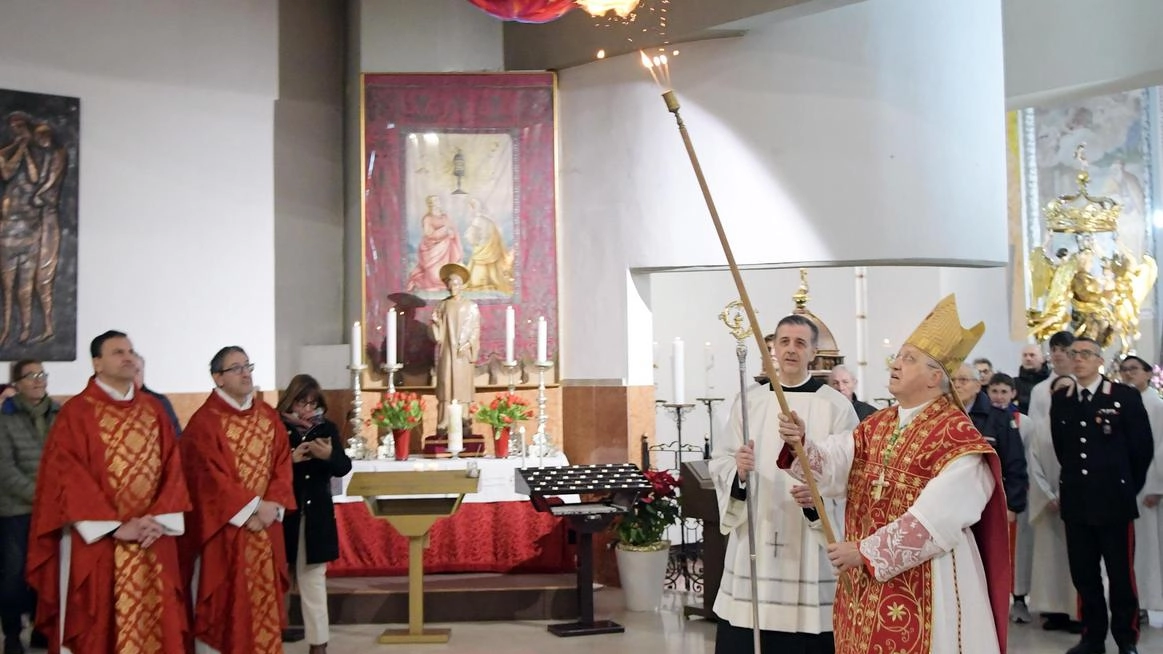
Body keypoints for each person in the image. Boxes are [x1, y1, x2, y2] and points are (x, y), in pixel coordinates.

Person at [777, 295, 1009, 654]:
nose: (896, 364)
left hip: (930, 582)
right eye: (899, 356)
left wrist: (866, 552)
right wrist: (801, 446)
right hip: (865, 580)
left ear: (936, 377)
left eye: (909, 358)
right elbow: (834, 465)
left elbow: (936, 520)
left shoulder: (959, 440)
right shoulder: (878, 424)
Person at [26, 330, 190, 652]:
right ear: (97, 363)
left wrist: (157, 518)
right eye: (117, 352)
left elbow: (173, 467)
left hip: (151, 536)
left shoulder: (153, 410)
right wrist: (116, 526)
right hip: (99, 542)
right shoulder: (76, 413)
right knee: (96, 627)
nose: (128, 356)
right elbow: (68, 477)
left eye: (130, 351)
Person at [710, 314, 858, 653]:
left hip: (810, 537)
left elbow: (850, 472)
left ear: (814, 352)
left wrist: (818, 497)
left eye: (800, 343)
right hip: (757, 532)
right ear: (774, 348)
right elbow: (721, 461)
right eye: (784, 342)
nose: (791, 349)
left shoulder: (835, 406)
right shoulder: (749, 401)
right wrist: (738, 472)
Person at [181, 347, 295, 654]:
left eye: (248, 366)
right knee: (223, 607)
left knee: (262, 609)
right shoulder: (204, 423)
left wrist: (271, 507)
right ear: (217, 377)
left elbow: (282, 464)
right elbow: (207, 478)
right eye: (236, 368)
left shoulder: (268, 416)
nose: (246, 373)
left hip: (266, 529)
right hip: (225, 531)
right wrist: (253, 508)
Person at [1050, 337, 1154, 654]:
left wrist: (1124, 487)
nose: (1077, 359)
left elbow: (1142, 450)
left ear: (1099, 360)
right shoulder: (1064, 399)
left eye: (1085, 354)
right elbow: (1062, 449)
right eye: (1073, 354)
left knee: (1121, 576)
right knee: (1085, 575)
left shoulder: (1123, 397)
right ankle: (1092, 636)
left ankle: (1126, 638)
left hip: (1114, 502)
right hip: (1077, 502)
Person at [276, 375, 352, 654]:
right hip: (285, 515)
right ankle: (273, 635)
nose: (307, 409)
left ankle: (318, 644)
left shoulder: (326, 428)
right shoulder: (276, 426)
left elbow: (343, 467)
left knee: (313, 580)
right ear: (290, 401)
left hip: (315, 515)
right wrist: (290, 460)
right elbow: (264, 470)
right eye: (301, 402)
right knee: (276, 579)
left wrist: (329, 455)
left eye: (312, 403)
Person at [1022, 329, 1079, 630]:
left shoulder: (1081, 388)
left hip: (1073, 475)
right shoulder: (1040, 390)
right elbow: (1033, 433)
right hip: (1044, 470)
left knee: (1077, 551)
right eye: (1054, 348)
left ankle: (1077, 610)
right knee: (1049, 551)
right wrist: (1043, 488)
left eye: (1064, 349)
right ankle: (1052, 608)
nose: (1058, 353)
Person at [0, 360, 57, 653]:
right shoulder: (5, 418)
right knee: (13, 575)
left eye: (42, 375)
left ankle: (41, 627)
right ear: (17, 384)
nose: (39, 380)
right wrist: (42, 497)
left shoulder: (61, 414)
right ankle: (11, 632)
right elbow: (5, 470)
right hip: (16, 511)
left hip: (55, 511)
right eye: (31, 376)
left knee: (48, 573)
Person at [952, 364, 1027, 523]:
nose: (957, 385)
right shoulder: (945, 416)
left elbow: (1014, 461)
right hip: (952, 500)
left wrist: (1013, 505)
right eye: (953, 380)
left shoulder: (999, 418)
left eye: (963, 380)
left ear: (978, 386)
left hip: (988, 502)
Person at [1119, 354, 1163, 624]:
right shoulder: (1121, 401)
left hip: (1149, 485)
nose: (1127, 374)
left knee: (1147, 547)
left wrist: (1157, 486)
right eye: (1124, 370)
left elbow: (1160, 447)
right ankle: (1131, 600)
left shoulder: (1156, 405)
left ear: (1148, 373)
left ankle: (1145, 602)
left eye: (1133, 369)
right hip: (1125, 483)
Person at [431, 263, 479, 433]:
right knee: (446, 385)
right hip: (447, 353)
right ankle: (444, 422)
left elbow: (475, 330)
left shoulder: (471, 306)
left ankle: (464, 420)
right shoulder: (442, 306)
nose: (453, 287)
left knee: (462, 386)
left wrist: (467, 344)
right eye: (450, 284)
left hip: (463, 353)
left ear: (462, 285)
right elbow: (438, 334)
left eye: (456, 284)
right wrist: (436, 323)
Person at [406, 195, 463, 293]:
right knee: (434, 276)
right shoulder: (427, 218)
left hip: (446, 249)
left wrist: (451, 234)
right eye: (434, 201)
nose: (437, 203)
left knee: (446, 272)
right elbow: (429, 234)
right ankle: (421, 282)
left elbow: (452, 229)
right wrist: (444, 231)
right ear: (430, 204)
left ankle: (447, 285)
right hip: (432, 249)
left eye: (438, 200)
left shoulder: (445, 217)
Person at [463, 198, 513, 294]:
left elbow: (480, 235)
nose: (471, 211)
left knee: (479, 280)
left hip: (487, 250)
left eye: (473, 208)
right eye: (471, 208)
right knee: (476, 280)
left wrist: (479, 240)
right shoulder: (481, 220)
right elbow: (474, 236)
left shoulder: (480, 220)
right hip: (482, 251)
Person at [134, 353, 181, 435]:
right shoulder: (108, 402)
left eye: (137, 371)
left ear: (143, 372)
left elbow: (175, 437)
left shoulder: (159, 402)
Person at [1016, 344, 1050, 414]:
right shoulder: (1014, 384)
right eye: (1025, 355)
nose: (1028, 358)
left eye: (1032, 355)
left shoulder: (1051, 381)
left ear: (1042, 359)